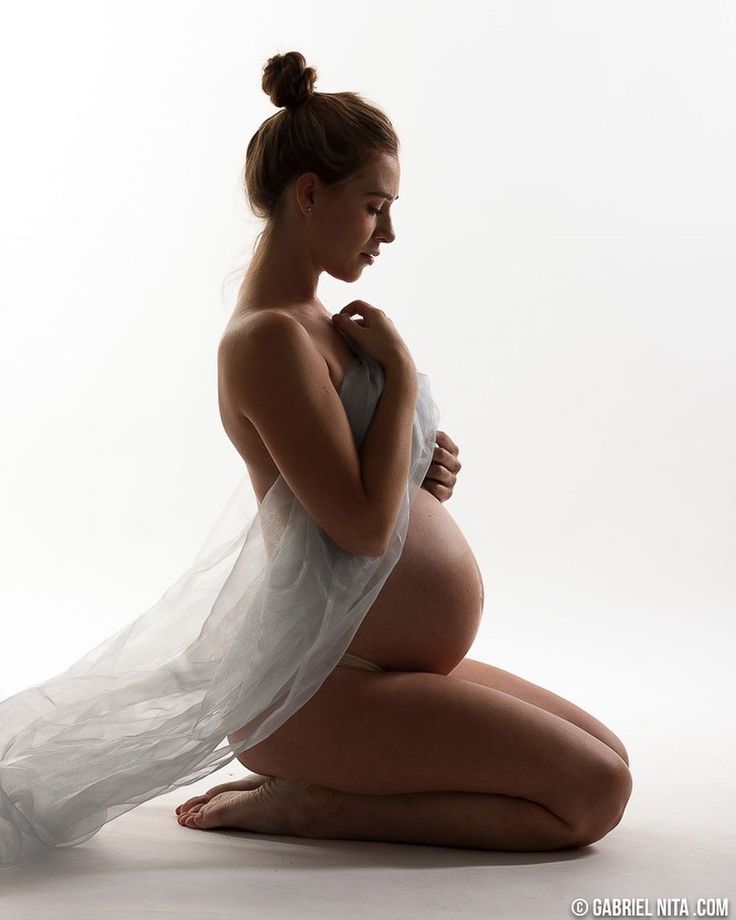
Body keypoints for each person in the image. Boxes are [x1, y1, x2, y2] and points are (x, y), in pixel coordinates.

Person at [0, 52, 631, 867]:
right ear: (308, 194)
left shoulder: (315, 320)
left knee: (611, 758)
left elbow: (366, 499)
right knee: (591, 798)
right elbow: (365, 533)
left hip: (371, 659)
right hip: (315, 683)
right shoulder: (266, 338)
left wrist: (424, 485)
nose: (388, 233)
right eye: (374, 207)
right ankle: (316, 807)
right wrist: (399, 377)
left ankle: (351, 786)